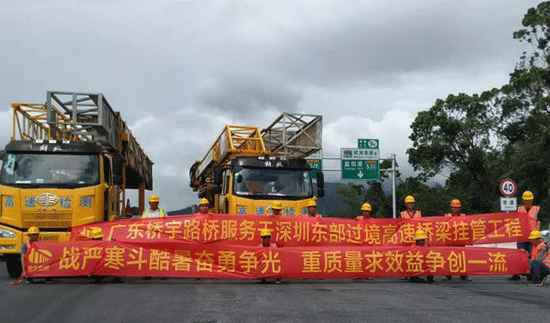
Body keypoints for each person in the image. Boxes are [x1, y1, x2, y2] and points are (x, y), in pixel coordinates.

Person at [509, 190, 542, 281]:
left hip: (532, 237)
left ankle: (530, 273)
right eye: (526, 200)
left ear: (532, 200)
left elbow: (538, 222)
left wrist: (537, 235)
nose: (528, 202)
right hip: (521, 236)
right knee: (520, 254)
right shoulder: (519, 209)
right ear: (523, 200)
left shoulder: (537, 209)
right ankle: (517, 274)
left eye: (529, 200)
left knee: (532, 255)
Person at [443, 199, 471, 282]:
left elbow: (467, 228)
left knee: (462, 257)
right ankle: (448, 274)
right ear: (451, 208)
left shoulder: (463, 216)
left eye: (457, 207)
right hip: (450, 240)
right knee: (450, 257)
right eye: (454, 207)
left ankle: (463, 274)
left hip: (461, 240)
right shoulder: (446, 216)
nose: (456, 209)